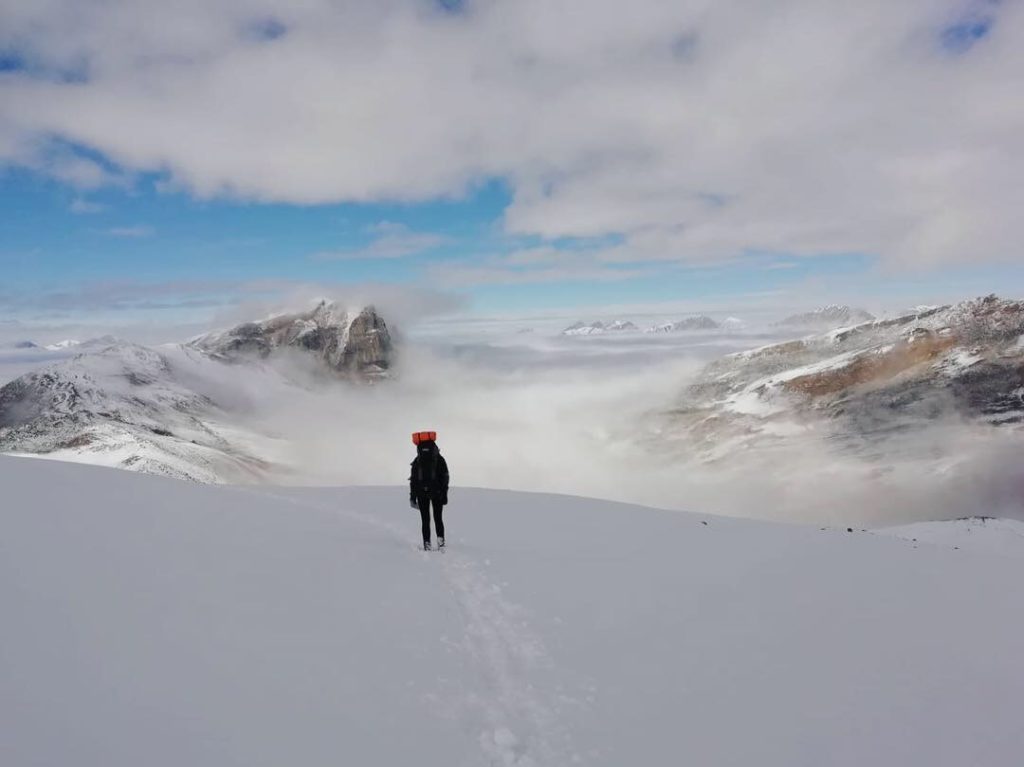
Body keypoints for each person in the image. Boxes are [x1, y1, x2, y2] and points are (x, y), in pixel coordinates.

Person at [409, 432, 449, 551]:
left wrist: (413, 497)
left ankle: (427, 543)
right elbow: (445, 477)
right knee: (438, 517)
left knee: (425, 519)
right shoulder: (439, 459)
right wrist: (444, 494)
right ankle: (440, 541)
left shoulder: (418, 460)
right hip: (436, 492)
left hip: (421, 492)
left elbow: (414, 480)